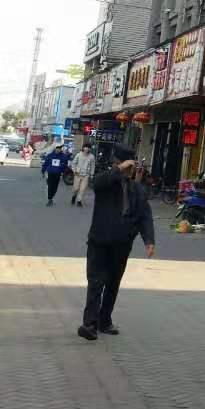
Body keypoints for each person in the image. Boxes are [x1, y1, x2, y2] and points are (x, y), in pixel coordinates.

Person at [78, 146, 155, 341]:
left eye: (131, 166)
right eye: (125, 166)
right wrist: (118, 169)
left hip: (121, 244)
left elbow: (145, 216)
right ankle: (89, 324)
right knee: (96, 282)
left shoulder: (136, 189)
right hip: (99, 240)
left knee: (113, 283)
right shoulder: (107, 182)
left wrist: (149, 240)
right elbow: (96, 183)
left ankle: (105, 321)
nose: (130, 170)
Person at [70, 143, 97, 208]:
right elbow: (73, 163)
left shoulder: (92, 157)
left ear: (90, 149)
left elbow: (93, 166)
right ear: (83, 148)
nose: (87, 148)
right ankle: (74, 196)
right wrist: (74, 171)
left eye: (88, 147)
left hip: (86, 175)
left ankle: (79, 201)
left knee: (82, 189)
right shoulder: (78, 155)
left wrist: (92, 174)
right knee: (76, 188)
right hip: (78, 174)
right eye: (86, 147)